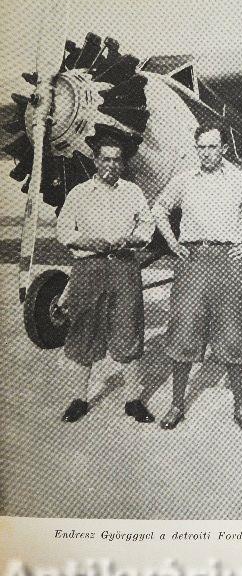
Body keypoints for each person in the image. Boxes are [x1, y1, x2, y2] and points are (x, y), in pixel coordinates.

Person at [146, 123, 242, 430]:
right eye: (202, 147)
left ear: (223, 149)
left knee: (234, 335)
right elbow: (159, 209)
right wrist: (172, 243)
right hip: (192, 262)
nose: (207, 153)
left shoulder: (239, 181)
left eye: (212, 147)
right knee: (183, 331)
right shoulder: (183, 181)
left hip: (227, 263)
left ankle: (241, 408)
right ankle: (176, 405)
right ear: (196, 149)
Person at [56, 135, 155, 423]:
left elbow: (147, 227)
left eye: (116, 160)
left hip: (124, 267)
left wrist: (132, 239)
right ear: (95, 160)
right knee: (84, 329)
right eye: (106, 159)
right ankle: (80, 399)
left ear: (122, 164)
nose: (111, 165)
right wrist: (87, 241)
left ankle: (133, 400)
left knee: (129, 328)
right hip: (89, 268)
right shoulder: (78, 193)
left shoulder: (133, 192)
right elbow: (64, 230)